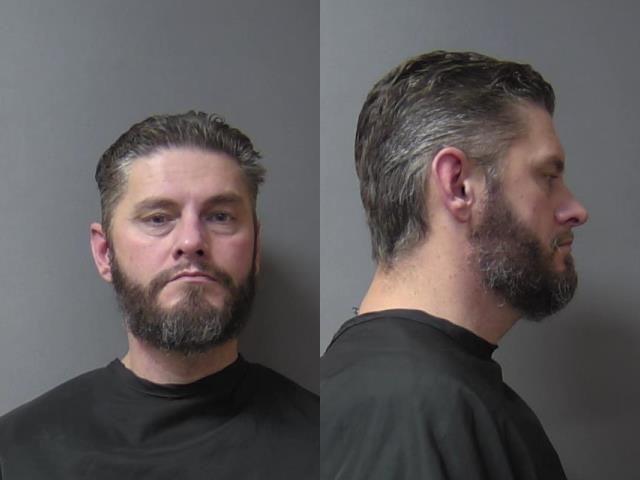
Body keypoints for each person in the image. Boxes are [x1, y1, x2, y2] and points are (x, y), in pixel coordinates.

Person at [0, 111, 318, 479]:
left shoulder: (325, 445)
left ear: (256, 248)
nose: (192, 241)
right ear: (105, 253)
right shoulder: (17, 453)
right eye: (157, 218)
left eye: (220, 216)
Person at [321, 51, 588, 479]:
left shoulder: (406, 392)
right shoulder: (414, 410)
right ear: (458, 185)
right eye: (548, 177)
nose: (575, 210)